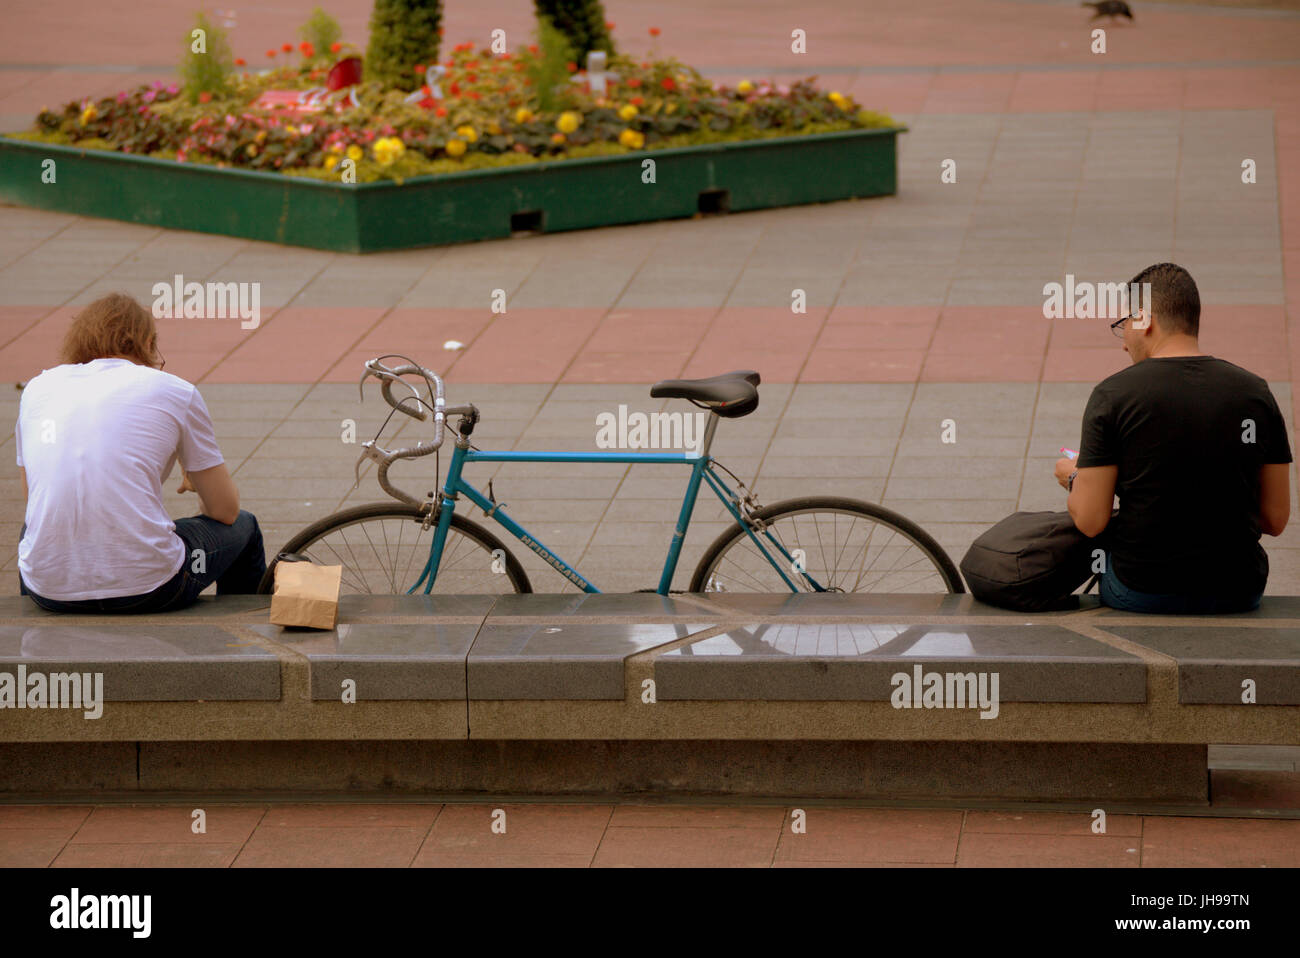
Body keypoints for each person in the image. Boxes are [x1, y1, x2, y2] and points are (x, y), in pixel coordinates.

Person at [1054, 263, 1291, 613]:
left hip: (1142, 589)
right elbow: (1275, 519)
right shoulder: (1254, 393)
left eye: (1124, 325)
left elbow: (1091, 521)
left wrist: (1075, 476)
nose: (1124, 344)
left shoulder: (1114, 394)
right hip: (1239, 588)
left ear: (1145, 319)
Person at [15, 293, 265, 612]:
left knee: (34, 527)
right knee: (245, 528)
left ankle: (32, 634)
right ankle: (244, 641)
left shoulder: (38, 388)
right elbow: (225, 512)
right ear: (146, 341)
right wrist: (196, 484)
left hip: (47, 591)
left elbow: (33, 497)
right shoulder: (175, 390)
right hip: (153, 588)